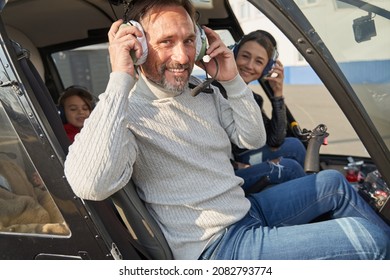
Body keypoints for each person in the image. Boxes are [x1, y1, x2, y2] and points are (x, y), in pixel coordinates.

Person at [64, 0, 390, 260]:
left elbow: (252, 138)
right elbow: (90, 184)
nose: (182, 56)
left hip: (244, 210)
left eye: (189, 40)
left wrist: (232, 79)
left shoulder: (201, 89)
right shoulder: (125, 109)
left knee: (332, 182)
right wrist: (120, 76)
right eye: (166, 42)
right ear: (139, 46)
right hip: (216, 248)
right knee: (370, 240)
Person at [214, 30, 307, 191]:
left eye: (258, 61)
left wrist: (278, 94)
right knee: (290, 167)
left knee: (295, 146)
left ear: (266, 68)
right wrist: (235, 165)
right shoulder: (214, 92)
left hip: (246, 156)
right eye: (245, 56)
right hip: (227, 168)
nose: (249, 66)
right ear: (234, 55)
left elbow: (275, 141)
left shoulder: (254, 99)